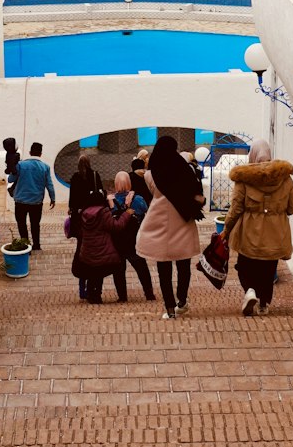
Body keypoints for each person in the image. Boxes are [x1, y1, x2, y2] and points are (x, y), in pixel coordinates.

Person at [222, 139, 293, 316]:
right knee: (268, 269)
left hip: (249, 232)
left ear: (253, 155)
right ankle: (264, 303)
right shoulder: (285, 179)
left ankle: (250, 291)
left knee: (245, 265)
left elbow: (236, 208)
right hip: (275, 233)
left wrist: (226, 229)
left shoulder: (244, 178)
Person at [136, 134, 204, 319]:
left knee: (163, 269)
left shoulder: (151, 175)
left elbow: (151, 194)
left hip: (160, 224)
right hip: (182, 221)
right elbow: (196, 192)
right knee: (183, 265)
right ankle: (182, 300)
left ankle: (170, 308)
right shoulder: (185, 170)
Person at [77, 187, 132, 303]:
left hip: (87, 254)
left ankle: (94, 296)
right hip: (105, 253)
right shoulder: (103, 212)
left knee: (94, 271)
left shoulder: (83, 213)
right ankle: (122, 296)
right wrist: (126, 215)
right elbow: (116, 226)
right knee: (119, 267)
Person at [110, 171, 155, 302]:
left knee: (118, 270)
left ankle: (122, 296)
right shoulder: (138, 199)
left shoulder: (111, 201)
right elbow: (146, 212)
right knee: (142, 268)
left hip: (117, 241)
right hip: (134, 240)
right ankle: (149, 294)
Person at [12, 141, 55, 251]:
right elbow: (49, 184)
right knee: (35, 224)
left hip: (20, 201)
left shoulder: (20, 165)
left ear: (30, 152)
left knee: (21, 224)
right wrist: (52, 198)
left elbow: (11, 179)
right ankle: (36, 245)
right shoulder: (45, 167)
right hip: (36, 202)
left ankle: (25, 245)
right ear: (40, 154)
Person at [68, 154, 103, 237]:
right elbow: (100, 190)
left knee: (80, 232)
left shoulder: (75, 177)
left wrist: (71, 207)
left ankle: (80, 248)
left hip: (78, 209)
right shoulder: (95, 175)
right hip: (92, 208)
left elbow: (72, 194)